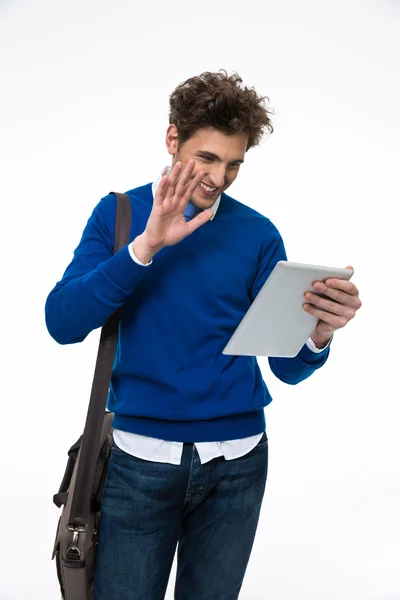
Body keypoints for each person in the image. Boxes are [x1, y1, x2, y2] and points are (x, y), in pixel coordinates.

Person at [45, 70, 362, 600]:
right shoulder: (119, 215)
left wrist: (319, 333)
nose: (220, 177)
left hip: (238, 464)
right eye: (208, 158)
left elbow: (285, 366)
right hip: (140, 463)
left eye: (234, 163)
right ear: (173, 139)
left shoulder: (257, 233)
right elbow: (62, 323)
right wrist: (145, 248)